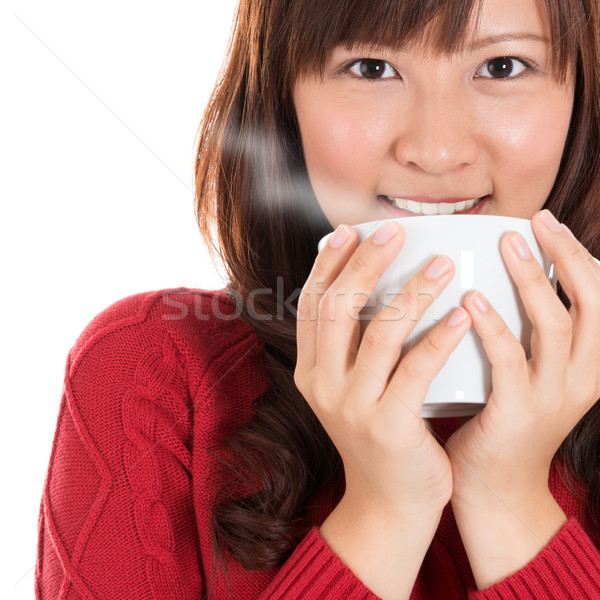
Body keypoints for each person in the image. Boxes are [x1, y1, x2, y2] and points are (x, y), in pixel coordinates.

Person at [35, 0, 600, 598]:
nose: (436, 151)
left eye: (504, 67)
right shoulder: (148, 373)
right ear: (284, 102)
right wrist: (383, 513)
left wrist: (510, 497)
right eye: (371, 69)